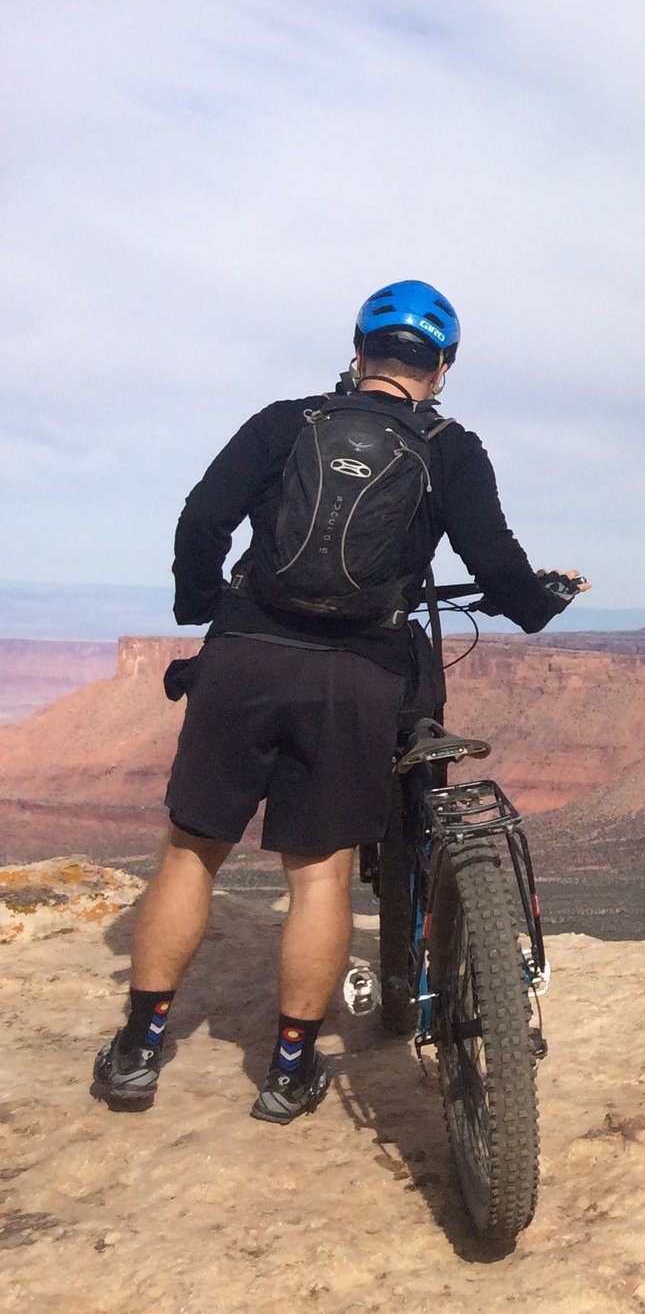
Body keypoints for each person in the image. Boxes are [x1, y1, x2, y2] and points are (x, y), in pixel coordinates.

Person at [92, 282, 588, 1124]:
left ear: (358, 351)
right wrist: (540, 603)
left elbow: (203, 518)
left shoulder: (287, 423)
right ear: (443, 368)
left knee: (192, 852)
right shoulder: (451, 450)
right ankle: (289, 1070)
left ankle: (139, 1050)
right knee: (318, 872)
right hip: (355, 676)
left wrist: (203, 603)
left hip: (244, 658)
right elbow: (498, 565)